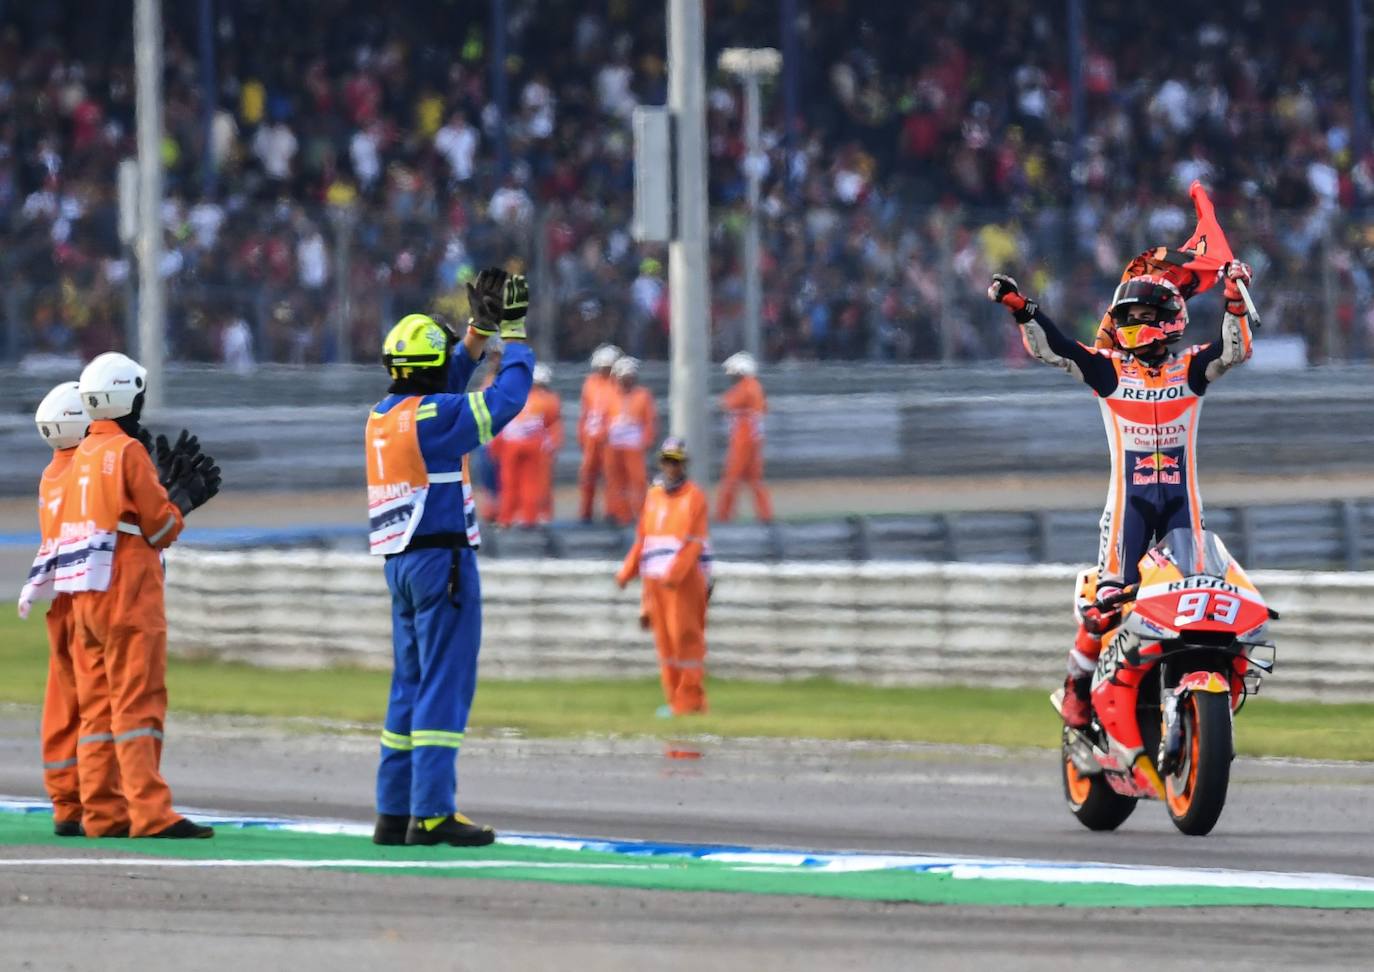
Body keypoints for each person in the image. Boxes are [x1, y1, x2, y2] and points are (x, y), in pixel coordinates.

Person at [988, 260, 1255, 728]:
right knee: (1107, 602)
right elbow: (1058, 350)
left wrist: (1234, 298)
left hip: (1182, 508)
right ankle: (1076, 688)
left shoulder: (1191, 367)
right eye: (1124, 317)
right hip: (1128, 507)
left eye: (1138, 316)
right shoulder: (1107, 371)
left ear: (1166, 320)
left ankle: (1184, 694)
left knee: (1195, 606)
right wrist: (1023, 309)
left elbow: (1235, 350)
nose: (1128, 325)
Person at [367, 268, 533, 847]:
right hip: (444, 563)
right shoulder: (436, 419)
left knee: (408, 685)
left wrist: (476, 333)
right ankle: (433, 812)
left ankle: (393, 812)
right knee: (445, 683)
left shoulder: (384, 417)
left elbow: (443, 383)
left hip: (401, 566)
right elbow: (506, 399)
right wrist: (513, 336)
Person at [58, 352, 222, 838]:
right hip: (129, 591)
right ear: (126, 397)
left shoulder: (81, 453)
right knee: (138, 704)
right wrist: (180, 503)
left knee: (96, 710)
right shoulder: (129, 453)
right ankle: (151, 813)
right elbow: (162, 524)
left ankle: (103, 813)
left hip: (86, 593)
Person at [17, 382, 90, 836]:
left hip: (61, 601)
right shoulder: (88, 470)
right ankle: (104, 801)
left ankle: (66, 802)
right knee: (101, 704)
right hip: (91, 596)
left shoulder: (52, 474)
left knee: (61, 706)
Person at [615, 437, 712, 718]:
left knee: (686, 641)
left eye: (676, 462)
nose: (671, 467)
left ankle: (691, 701)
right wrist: (627, 572)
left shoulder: (694, 497)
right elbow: (643, 539)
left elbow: (694, 542)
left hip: (683, 583)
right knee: (666, 645)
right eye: (668, 461)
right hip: (655, 582)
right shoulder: (654, 496)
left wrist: (675, 574)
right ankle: (674, 700)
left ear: (684, 465)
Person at [496, 361, 562, 527]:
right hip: (532, 444)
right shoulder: (549, 399)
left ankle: (508, 517)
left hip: (513, 443)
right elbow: (552, 425)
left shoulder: (513, 394)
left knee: (511, 482)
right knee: (530, 483)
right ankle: (529, 517)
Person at [715, 351, 773, 523]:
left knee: (731, 479)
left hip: (743, 440)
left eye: (732, 371)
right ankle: (765, 516)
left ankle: (723, 515)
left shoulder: (746, 387)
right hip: (752, 439)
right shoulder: (755, 386)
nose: (730, 376)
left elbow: (726, 403)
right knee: (756, 480)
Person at [604, 356, 657, 526]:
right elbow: (604, 419)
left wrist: (647, 440)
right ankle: (620, 513)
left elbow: (649, 420)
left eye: (630, 377)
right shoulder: (610, 394)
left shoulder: (643, 395)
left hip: (634, 444)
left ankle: (642, 513)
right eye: (623, 377)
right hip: (613, 445)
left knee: (638, 480)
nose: (627, 380)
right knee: (615, 480)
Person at [577, 344, 621, 523]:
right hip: (591, 436)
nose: (605, 370)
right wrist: (583, 434)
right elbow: (585, 412)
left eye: (608, 367)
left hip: (609, 437)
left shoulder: (617, 385)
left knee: (612, 475)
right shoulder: (590, 383)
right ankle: (586, 511)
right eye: (603, 367)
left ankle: (612, 511)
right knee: (588, 475)